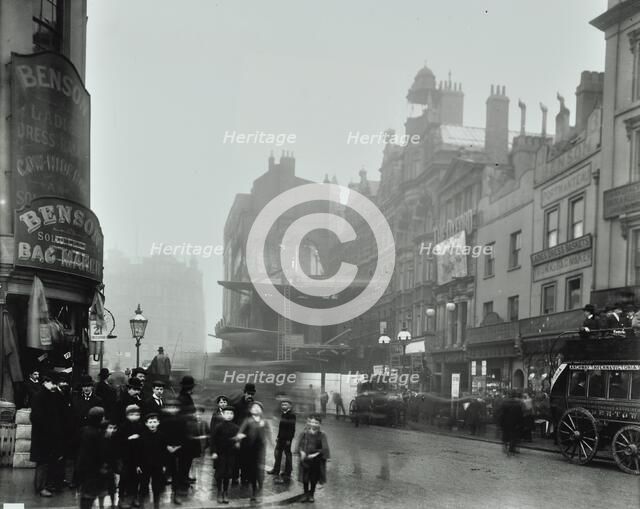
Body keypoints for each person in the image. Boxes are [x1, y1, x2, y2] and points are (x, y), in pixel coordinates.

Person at [30, 373, 65, 498]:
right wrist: (47, 428)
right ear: (47, 382)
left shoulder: (50, 395)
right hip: (43, 436)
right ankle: (41, 488)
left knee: (45, 461)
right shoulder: (40, 396)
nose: (54, 386)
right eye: (53, 383)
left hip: (48, 435)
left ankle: (41, 486)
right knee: (43, 462)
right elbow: (35, 417)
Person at [236, 401, 273, 502]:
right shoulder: (247, 420)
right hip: (249, 448)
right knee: (251, 467)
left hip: (260, 448)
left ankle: (260, 483)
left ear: (261, 410)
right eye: (254, 407)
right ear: (250, 410)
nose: (256, 408)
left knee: (260, 466)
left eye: (258, 407)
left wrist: (271, 444)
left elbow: (269, 433)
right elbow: (240, 431)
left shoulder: (264, 421)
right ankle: (253, 490)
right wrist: (239, 439)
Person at [76, 406, 107, 509]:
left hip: (83, 467)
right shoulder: (98, 433)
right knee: (90, 494)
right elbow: (100, 452)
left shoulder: (84, 430)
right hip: (93, 469)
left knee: (85, 493)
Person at [296, 414, 330, 503]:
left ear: (319, 424)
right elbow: (299, 444)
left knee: (314, 478)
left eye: (316, 423)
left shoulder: (322, 435)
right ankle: (305, 494)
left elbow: (324, 448)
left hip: (316, 460)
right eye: (312, 422)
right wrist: (301, 452)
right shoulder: (304, 433)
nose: (313, 424)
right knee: (305, 478)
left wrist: (315, 454)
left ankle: (311, 494)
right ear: (309, 422)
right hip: (305, 459)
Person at [210, 405, 239, 504]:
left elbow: (237, 441)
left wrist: (237, 444)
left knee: (228, 474)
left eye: (231, 413)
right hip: (220, 454)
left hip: (231, 455)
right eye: (227, 413)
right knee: (220, 474)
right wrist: (213, 452)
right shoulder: (218, 427)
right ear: (223, 414)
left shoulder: (236, 427)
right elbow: (213, 440)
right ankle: (219, 492)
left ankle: (225, 492)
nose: (229, 415)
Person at [138, 413, 168, 509]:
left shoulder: (162, 436)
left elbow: (164, 452)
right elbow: (138, 452)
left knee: (156, 486)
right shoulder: (142, 436)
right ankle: (141, 505)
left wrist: (164, 465)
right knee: (143, 485)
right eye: (150, 422)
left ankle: (156, 505)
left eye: (154, 422)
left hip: (157, 465)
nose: (152, 424)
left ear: (158, 423)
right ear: (146, 424)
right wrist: (138, 465)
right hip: (144, 465)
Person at [161, 398, 188, 504]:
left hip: (179, 449)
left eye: (175, 407)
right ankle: (158, 493)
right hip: (166, 449)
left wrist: (178, 446)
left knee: (177, 473)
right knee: (165, 470)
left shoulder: (182, 421)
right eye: (170, 407)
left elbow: (185, 436)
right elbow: (161, 435)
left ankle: (175, 493)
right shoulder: (163, 420)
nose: (172, 409)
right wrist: (166, 446)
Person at [117, 404, 144, 509]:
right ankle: (121, 498)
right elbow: (118, 442)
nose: (134, 416)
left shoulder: (141, 426)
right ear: (127, 415)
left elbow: (144, 440)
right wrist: (129, 439)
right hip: (126, 457)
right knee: (124, 478)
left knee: (136, 478)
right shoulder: (123, 426)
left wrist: (140, 438)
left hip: (138, 457)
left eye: (137, 414)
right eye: (132, 414)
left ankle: (134, 497)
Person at [233, 383, 256, 485]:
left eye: (252, 394)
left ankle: (244, 477)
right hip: (239, 435)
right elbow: (234, 421)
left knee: (247, 458)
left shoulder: (254, 406)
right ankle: (234, 477)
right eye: (248, 393)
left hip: (249, 436)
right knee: (236, 458)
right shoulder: (237, 405)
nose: (250, 396)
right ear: (244, 393)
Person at [268, 398, 296, 481]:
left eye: (285, 404)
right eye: (282, 404)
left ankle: (288, 471)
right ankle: (276, 470)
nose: (283, 406)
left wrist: (289, 440)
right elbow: (281, 428)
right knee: (278, 454)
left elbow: (292, 429)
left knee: (287, 454)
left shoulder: (292, 415)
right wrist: (278, 437)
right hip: (281, 438)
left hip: (287, 439)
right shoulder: (283, 414)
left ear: (290, 406)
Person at [499, 390, 524, 455]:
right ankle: (512, 448)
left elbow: (501, 414)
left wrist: (501, 423)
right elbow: (520, 415)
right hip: (515, 423)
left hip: (506, 422)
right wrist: (520, 423)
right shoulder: (518, 404)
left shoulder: (504, 403)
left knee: (505, 435)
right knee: (514, 436)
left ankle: (505, 447)